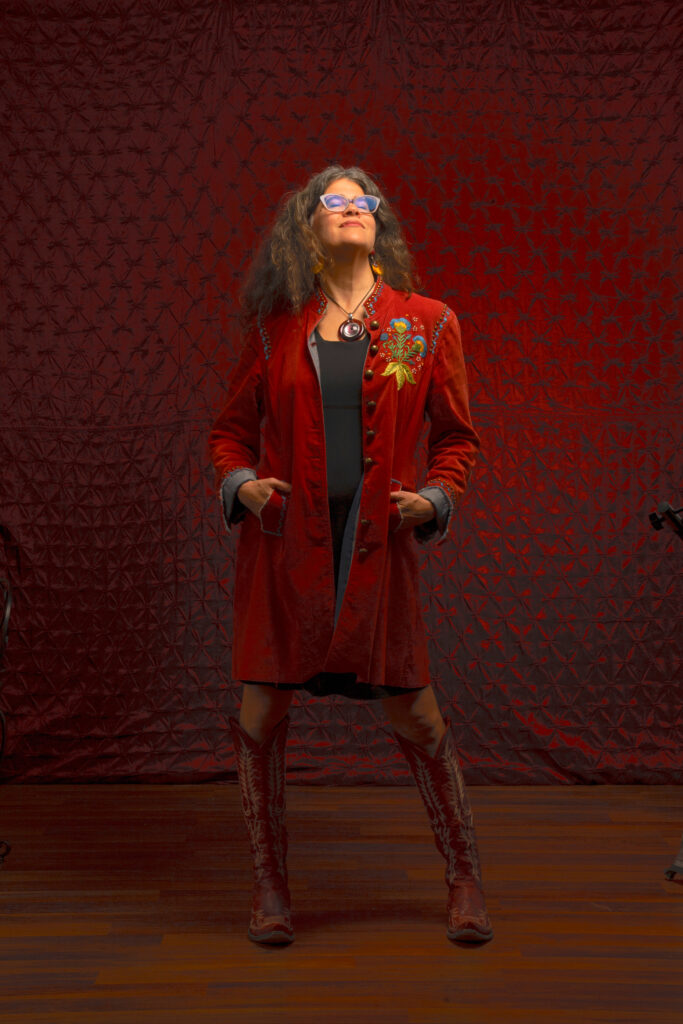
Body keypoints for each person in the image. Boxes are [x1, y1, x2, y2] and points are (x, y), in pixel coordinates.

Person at [209, 165, 492, 947]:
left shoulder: (424, 323)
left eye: (361, 199)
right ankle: (269, 887)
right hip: (283, 555)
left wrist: (435, 499)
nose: (350, 208)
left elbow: (457, 438)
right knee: (261, 711)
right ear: (308, 226)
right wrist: (241, 483)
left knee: (417, 713)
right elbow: (228, 432)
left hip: (376, 551)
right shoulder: (274, 327)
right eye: (332, 201)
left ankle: (463, 876)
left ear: (378, 223)